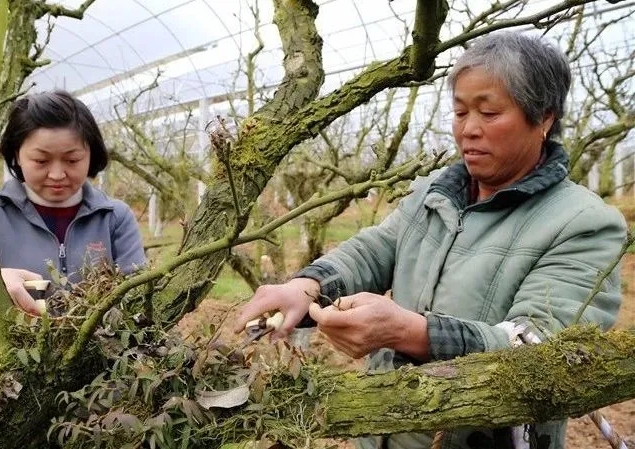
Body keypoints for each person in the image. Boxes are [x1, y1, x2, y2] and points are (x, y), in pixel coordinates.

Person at [235, 32, 627, 449]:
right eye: (459, 112)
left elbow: (538, 350)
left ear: (544, 117)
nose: (468, 130)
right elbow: (375, 249)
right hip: (383, 428)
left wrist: (408, 332)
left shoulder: (584, 223)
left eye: (489, 113)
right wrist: (306, 287)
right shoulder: (434, 192)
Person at [0, 90, 146, 389]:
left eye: (72, 159)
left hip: (100, 394)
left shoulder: (114, 217)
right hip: (4, 394)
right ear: (16, 155)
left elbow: (142, 302)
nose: (57, 174)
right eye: (40, 160)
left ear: (91, 155)